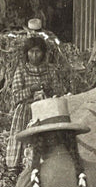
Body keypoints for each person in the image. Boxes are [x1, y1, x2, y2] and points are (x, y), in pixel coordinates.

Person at [6, 36, 64, 173]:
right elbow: (15, 96)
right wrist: (31, 89)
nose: (34, 55)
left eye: (37, 52)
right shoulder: (22, 71)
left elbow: (59, 91)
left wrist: (48, 89)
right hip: (27, 110)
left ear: (43, 53)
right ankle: (16, 166)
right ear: (26, 53)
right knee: (23, 137)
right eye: (31, 52)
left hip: (46, 109)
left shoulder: (50, 70)